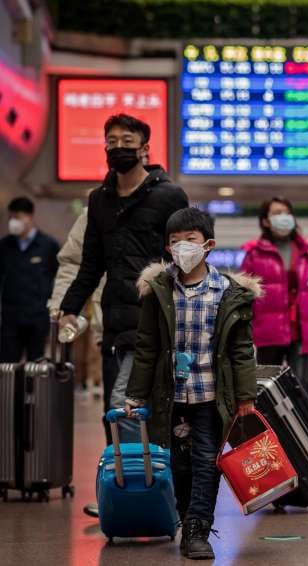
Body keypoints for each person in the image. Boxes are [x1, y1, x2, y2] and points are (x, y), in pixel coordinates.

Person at [58, 114, 187, 516]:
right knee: (114, 411)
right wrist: (68, 309)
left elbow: (183, 257)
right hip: (114, 324)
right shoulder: (99, 200)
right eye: (110, 140)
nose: (118, 146)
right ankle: (124, 489)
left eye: (126, 139)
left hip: (158, 322)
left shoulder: (169, 197)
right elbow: (91, 264)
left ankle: (157, 490)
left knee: (149, 409)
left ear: (145, 147)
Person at [124, 208, 259, 560]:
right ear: (167, 248)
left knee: (205, 460)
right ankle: (186, 517)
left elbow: (242, 350)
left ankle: (198, 528)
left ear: (208, 245)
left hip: (210, 395)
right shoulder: (159, 290)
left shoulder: (228, 292)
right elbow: (147, 346)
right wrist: (136, 394)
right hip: (170, 395)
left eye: (191, 241)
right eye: (175, 242)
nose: (183, 247)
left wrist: (246, 396)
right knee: (177, 462)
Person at [240, 198, 308, 389]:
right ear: (265, 221)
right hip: (268, 331)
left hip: (302, 332)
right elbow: (244, 297)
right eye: (276, 213)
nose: (283, 217)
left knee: (300, 388)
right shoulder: (254, 253)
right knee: (267, 388)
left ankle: (300, 420)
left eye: (286, 212)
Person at [47, 208, 106, 402]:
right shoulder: (91, 214)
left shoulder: (157, 201)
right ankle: (82, 381)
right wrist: (59, 305)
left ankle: (96, 381)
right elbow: (70, 264)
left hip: (119, 314)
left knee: (95, 350)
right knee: (81, 348)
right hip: (82, 309)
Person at [1, 197, 60, 362]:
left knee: (36, 365)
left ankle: (32, 389)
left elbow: (61, 276)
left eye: (18, 217)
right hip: (10, 319)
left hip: (38, 318)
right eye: (11, 217)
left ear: (30, 216)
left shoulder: (48, 245)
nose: (14, 222)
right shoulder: (5, 246)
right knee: (8, 366)